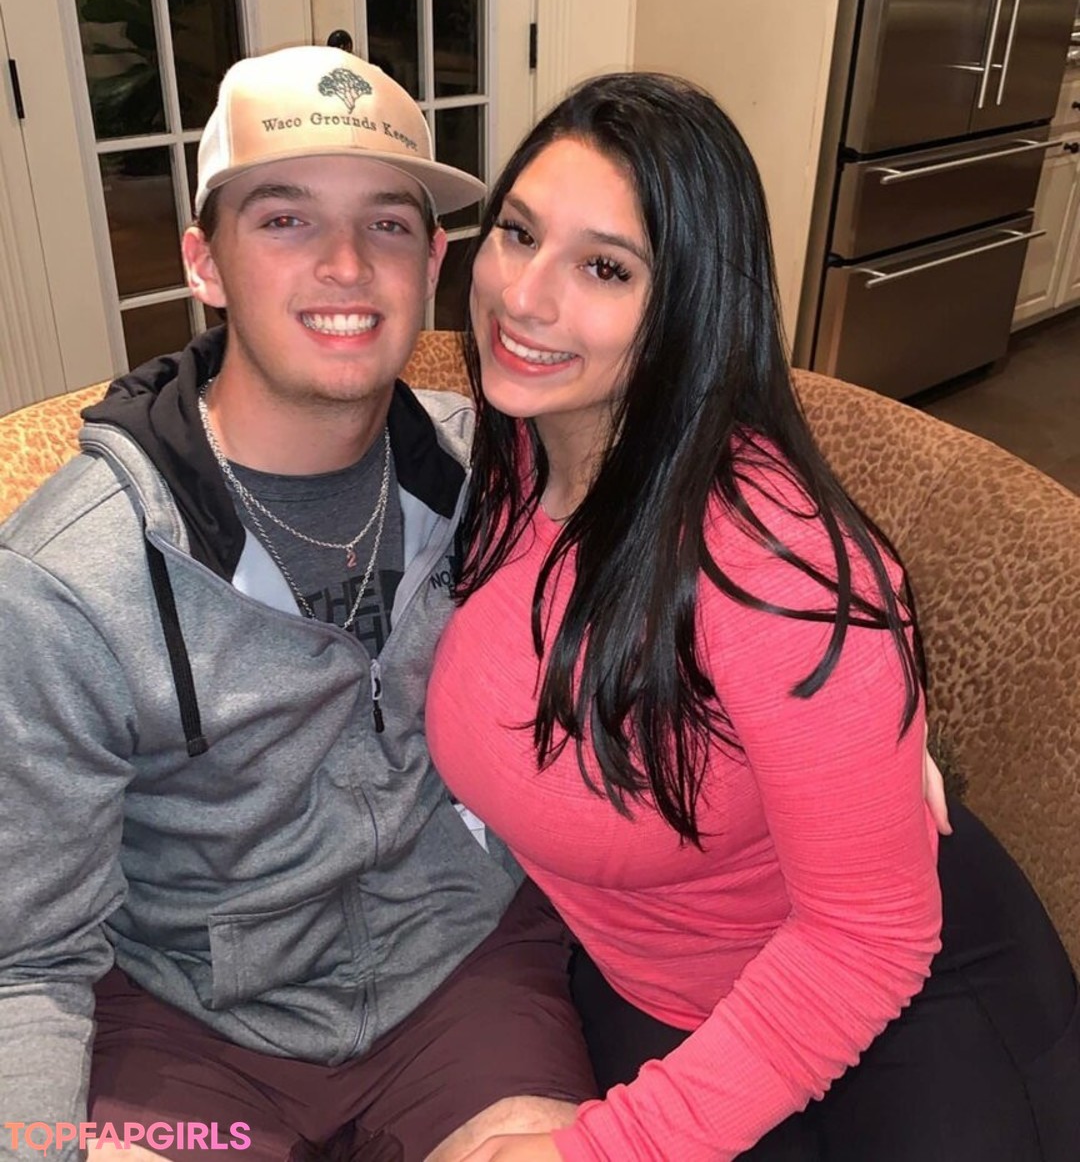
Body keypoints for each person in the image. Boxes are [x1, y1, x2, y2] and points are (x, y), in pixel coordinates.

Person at [426, 72, 1080, 1161]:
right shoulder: (499, 459)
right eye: (519, 233)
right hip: (660, 996)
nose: (525, 297)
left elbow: (868, 936)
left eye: (604, 267)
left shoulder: (778, 566)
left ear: (690, 305)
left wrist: (606, 1151)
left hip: (907, 1006)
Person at [0, 47, 597, 1162]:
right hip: (186, 1024)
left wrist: (858, 696)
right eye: (284, 219)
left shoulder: (503, 471)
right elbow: (22, 958)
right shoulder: (67, 581)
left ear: (434, 261)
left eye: (387, 224)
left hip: (462, 976)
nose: (345, 265)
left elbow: (699, 485)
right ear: (205, 264)